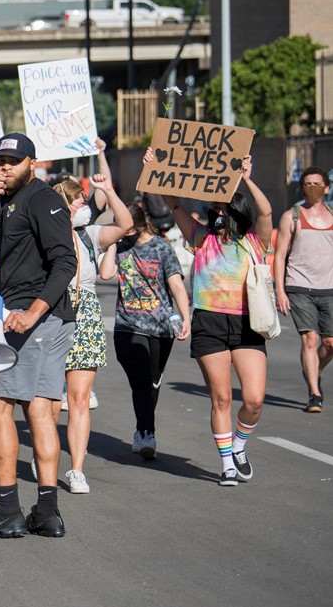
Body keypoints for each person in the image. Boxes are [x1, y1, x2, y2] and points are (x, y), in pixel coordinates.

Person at [0, 133, 76, 538]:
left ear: (33, 162)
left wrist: (32, 312)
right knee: (40, 411)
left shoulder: (42, 198)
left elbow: (66, 262)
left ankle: (8, 509)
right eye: (0, 160)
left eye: (14, 160)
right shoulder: (7, 201)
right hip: (34, 317)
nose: (5, 167)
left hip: (32, 317)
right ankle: (46, 513)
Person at [153, 149, 274, 486]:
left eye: (223, 207)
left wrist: (247, 177)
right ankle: (227, 465)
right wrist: (157, 168)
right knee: (221, 398)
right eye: (215, 207)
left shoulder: (254, 241)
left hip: (247, 323)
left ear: (237, 210)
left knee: (253, 399)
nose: (217, 212)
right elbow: (174, 204)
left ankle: (239, 446)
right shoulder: (200, 239)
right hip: (209, 322)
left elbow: (265, 210)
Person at [51, 175, 131, 494]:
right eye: (80, 201)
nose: (86, 205)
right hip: (52, 314)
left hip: (85, 314)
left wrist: (109, 190)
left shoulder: (90, 235)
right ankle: (46, 453)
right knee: (50, 398)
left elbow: (124, 223)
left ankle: (76, 469)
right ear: (65, 204)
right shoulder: (45, 236)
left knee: (79, 398)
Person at [99, 203, 191, 459]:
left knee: (152, 383)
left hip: (160, 328)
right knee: (140, 381)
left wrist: (186, 318)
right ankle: (147, 432)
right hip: (128, 325)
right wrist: (115, 242)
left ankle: (142, 430)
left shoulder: (161, 248)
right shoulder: (122, 245)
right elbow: (106, 273)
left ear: (138, 225)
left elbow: (177, 286)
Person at [273, 167, 333, 413]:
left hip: (328, 286)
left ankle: (313, 369)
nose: (312, 187)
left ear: (326, 188)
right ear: (301, 188)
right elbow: (278, 257)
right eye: (307, 184)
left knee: (330, 343)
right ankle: (314, 394)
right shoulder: (291, 216)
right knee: (310, 338)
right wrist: (280, 291)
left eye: (317, 183)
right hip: (299, 285)